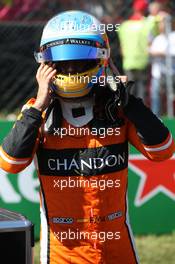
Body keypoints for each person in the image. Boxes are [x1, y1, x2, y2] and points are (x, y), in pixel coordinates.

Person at [0, 10, 174, 264]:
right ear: (45, 67)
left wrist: (128, 99)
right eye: (62, 63)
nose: (71, 71)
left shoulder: (120, 110)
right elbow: (10, 163)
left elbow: (163, 151)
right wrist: (38, 105)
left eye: (80, 62)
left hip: (118, 248)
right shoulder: (36, 112)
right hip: (63, 254)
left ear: (103, 59)